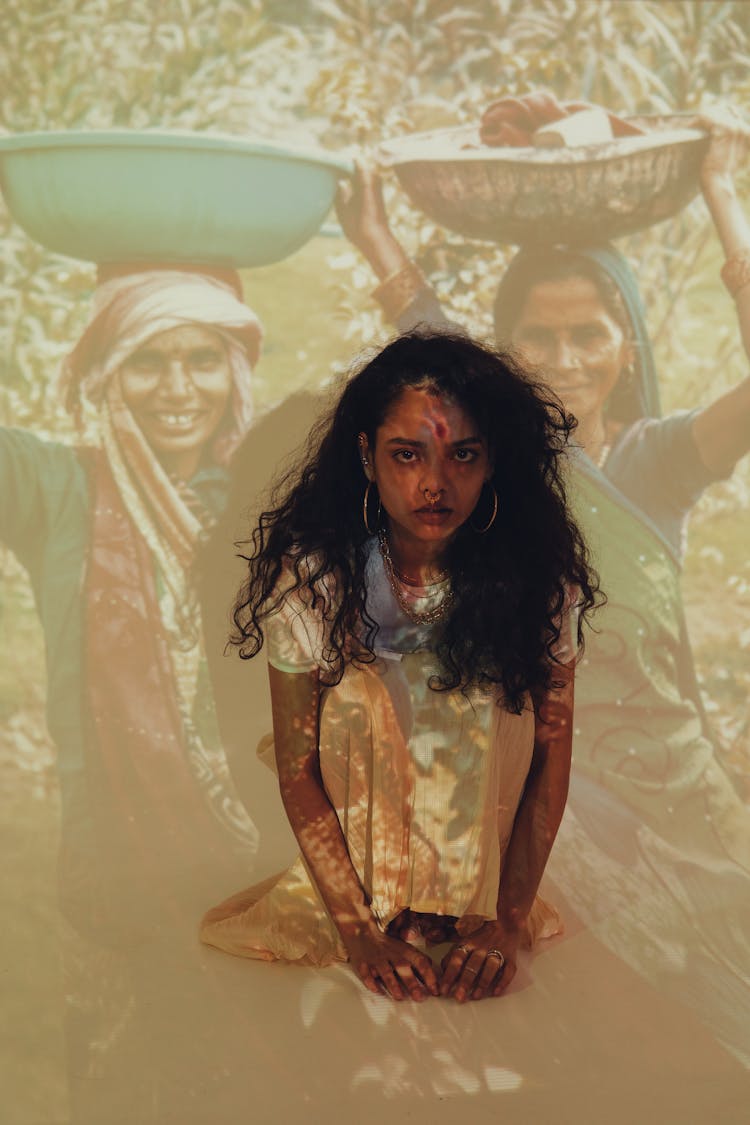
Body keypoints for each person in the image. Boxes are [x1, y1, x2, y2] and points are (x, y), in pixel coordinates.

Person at [334, 106, 750, 1057]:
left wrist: (724, 196)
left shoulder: (659, 462)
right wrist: (375, 237)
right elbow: (428, 333)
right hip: (542, 785)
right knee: (587, 1030)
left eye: (588, 334)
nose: (564, 359)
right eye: (538, 338)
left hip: (671, 786)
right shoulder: (494, 469)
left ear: (627, 347)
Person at [200, 329, 599, 1002]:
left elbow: (551, 752)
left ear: (493, 459)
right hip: (354, 904)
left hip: (488, 898)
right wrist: (358, 932)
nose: (434, 484)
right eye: (407, 454)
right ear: (367, 455)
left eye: (462, 455)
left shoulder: (539, 583)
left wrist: (505, 921)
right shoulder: (315, 583)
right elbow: (298, 772)